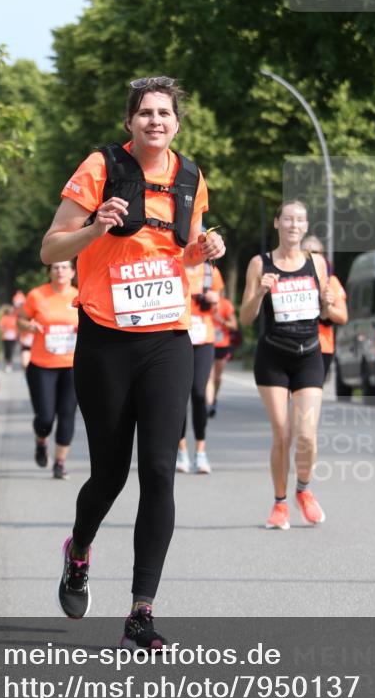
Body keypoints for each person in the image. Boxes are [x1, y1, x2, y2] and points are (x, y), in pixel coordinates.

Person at [40, 75, 225, 649]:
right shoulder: (99, 167)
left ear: (177, 121)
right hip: (106, 341)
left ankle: (141, 609)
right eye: (144, 112)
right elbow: (50, 248)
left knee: (161, 472)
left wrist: (203, 253)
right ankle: (79, 549)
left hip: (168, 338)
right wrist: (96, 226)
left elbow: (183, 256)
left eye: (164, 113)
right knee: (110, 474)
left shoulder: (192, 178)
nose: (155, 121)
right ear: (130, 122)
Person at [240, 200, 334, 530]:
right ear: (277, 223)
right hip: (273, 358)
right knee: (282, 433)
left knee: (307, 435)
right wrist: (259, 294)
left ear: (306, 227)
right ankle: (279, 503)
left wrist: (326, 303)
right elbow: (245, 318)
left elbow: (324, 314)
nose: (294, 225)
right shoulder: (259, 264)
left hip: (309, 354)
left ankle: (303, 491)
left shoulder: (317, 262)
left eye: (300, 220)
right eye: (288, 219)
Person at [19, 263, 79, 480]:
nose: (60, 271)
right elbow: (21, 321)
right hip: (42, 365)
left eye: (64, 268)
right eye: (55, 268)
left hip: (73, 365)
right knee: (45, 417)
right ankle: (41, 441)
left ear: (72, 273)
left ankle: (60, 463)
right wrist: (29, 326)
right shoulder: (37, 295)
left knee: (67, 414)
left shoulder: (80, 295)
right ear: (50, 273)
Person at [176, 260, 223, 474]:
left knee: (198, 393)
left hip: (203, 338)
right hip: (178, 336)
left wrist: (214, 299)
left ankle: (201, 452)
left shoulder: (211, 272)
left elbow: (219, 306)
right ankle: (181, 450)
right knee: (179, 396)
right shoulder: (175, 264)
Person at [300, 236, 348, 381]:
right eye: (305, 251)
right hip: (295, 344)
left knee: (311, 396)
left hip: (321, 346)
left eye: (314, 251)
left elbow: (343, 316)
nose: (310, 255)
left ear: (322, 254)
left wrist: (326, 308)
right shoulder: (292, 278)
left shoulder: (331, 281)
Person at [206, 287, 239, 417]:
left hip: (222, 344)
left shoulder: (225, 304)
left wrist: (222, 321)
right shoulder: (202, 303)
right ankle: (208, 405)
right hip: (206, 343)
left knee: (217, 377)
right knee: (209, 376)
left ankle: (213, 398)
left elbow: (234, 326)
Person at [0, 304, 19, 373]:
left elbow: (18, 327)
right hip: (6, 337)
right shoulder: (4, 318)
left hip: (13, 338)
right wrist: (4, 329)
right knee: (7, 351)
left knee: (11, 351)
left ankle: (9, 365)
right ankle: (7, 363)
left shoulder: (15, 318)